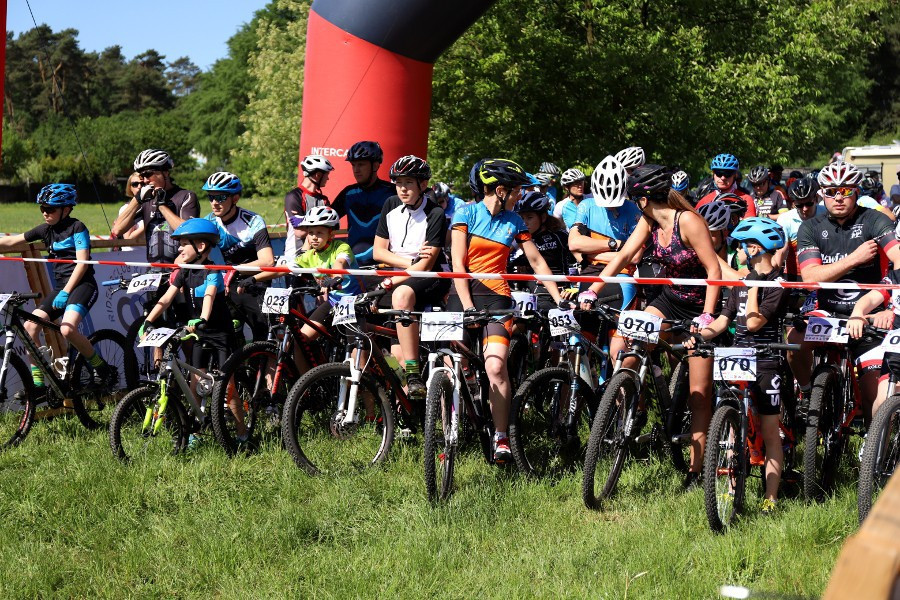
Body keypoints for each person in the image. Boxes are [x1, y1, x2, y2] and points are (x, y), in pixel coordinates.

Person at [580, 164, 722, 488]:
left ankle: (696, 470)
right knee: (628, 351)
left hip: (700, 306)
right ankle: (633, 409)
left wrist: (707, 316)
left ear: (643, 198)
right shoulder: (648, 221)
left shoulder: (687, 221)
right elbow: (624, 255)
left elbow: (714, 270)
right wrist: (592, 289)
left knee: (700, 395)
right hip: (668, 301)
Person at [450, 158, 563, 464]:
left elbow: (537, 263)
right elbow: (458, 264)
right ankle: (453, 424)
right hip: (461, 295)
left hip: (497, 298)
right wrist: (469, 307)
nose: (520, 197)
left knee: (497, 367)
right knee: (452, 362)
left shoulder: (514, 222)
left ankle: (502, 437)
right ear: (500, 190)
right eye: (516, 191)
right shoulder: (465, 213)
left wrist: (559, 297)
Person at [686, 217, 790, 514]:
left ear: (757, 248)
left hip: (767, 360)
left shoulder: (778, 284)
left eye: (745, 246)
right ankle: (730, 487)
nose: (741, 251)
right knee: (732, 421)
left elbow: (755, 323)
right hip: (738, 357)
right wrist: (698, 336)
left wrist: (754, 284)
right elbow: (722, 322)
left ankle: (770, 498)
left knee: (770, 432)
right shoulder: (741, 285)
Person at [789, 160, 900, 424]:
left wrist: (890, 306)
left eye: (846, 191)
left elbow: (897, 254)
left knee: (877, 401)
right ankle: (807, 393)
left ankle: (872, 451)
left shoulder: (874, 219)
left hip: (870, 316)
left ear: (857, 192)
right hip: (828, 311)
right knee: (793, 343)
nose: (839, 197)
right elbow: (811, 276)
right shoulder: (811, 227)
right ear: (822, 195)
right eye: (831, 191)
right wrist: (855, 259)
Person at [0, 184, 117, 395]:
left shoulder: (78, 227)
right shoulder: (45, 230)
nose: (45, 212)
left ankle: (102, 368)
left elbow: (82, 264)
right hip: (61, 288)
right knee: (30, 328)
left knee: (67, 329)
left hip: (82, 285)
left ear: (66, 209)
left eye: (50, 209)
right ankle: (38, 385)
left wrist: (66, 291)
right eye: (42, 208)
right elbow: (10, 241)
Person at [138, 218, 239, 442]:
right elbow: (165, 299)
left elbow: (210, 297)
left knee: (226, 386)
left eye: (184, 244)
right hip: (200, 333)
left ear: (201, 247)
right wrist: (149, 321)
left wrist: (201, 318)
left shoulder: (212, 271)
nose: (179, 248)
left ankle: (242, 433)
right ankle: (195, 433)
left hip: (220, 334)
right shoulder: (184, 270)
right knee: (194, 383)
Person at [372, 155, 450, 398]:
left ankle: (414, 373)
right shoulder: (390, 204)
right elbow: (378, 252)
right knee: (393, 355)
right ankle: (404, 404)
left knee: (403, 295)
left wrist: (400, 274)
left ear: (422, 185)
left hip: (431, 276)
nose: (403, 188)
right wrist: (409, 261)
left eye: (409, 182)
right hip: (403, 271)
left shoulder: (435, 212)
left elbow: (426, 265)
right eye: (398, 183)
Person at [201, 171, 275, 342]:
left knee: (262, 335)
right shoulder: (209, 222)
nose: (214, 203)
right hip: (227, 283)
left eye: (220, 197)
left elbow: (268, 261)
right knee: (227, 336)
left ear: (235, 198)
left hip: (254, 281)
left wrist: (235, 270)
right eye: (210, 197)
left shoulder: (253, 221)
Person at [111, 149, 200, 263]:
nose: (146, 180)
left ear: (165, 172)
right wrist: (137, 199)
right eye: (142, 176)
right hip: (154, 270)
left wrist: (162, 206)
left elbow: (188, 231)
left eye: (149, 174)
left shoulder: (186, 196)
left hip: (181, 269)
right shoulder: (146, 199)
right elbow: (117, 230)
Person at [331, 141, 396, 266]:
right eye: (353, 165)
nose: (356, 170)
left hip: (383, 264)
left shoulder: (392, 192)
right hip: (353, 264)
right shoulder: (348, 193)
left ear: (375, 166)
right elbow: (326, 222)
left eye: (361, 164)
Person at [283, 154, 334, 264]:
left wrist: (305, 222)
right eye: (326, 174)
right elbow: (299, 232)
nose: (328, 178)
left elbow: (329, 229)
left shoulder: (324, 200)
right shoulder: (294, 196)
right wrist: (321, 227)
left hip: (319, 260)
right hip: (295, 258)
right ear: (318, 175)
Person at [774, 174, 825, 280]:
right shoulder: (785, 219)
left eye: (809, 203)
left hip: (823, 273)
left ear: (816, 199)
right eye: (799, 205)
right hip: (795, 275)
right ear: (793, 204)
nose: (805, 209)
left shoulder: (826, 213)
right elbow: (781, 251)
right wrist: (773, 274)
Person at [696, 153, 756, 217]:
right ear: (713, 174)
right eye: (719, 173)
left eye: (727, 174)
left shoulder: (745, 199)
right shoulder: (704, 201)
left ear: (735, 175)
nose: (723, 178)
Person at [117, 172, 145, 240]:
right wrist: (148, 222)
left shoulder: (154, 205)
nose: (139, 186)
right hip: (132, 250)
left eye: (142, 183)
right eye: (135, 184)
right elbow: (128, 238)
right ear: (130, 188)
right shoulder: (126, 208)